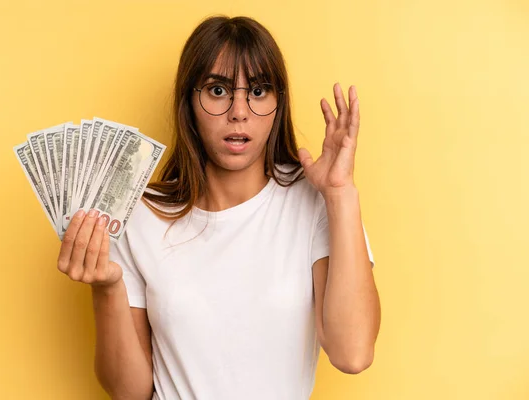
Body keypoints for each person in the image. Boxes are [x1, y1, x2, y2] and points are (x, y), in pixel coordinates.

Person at [56, 15, 380, 400]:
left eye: (258, 92)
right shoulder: (138, 216)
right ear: (189, 101)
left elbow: (353, 353)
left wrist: (341, 194)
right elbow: (130, 393)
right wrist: (106, 288)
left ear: (279, 105)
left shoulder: (314, 203)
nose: (239, 112)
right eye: (218, 90)